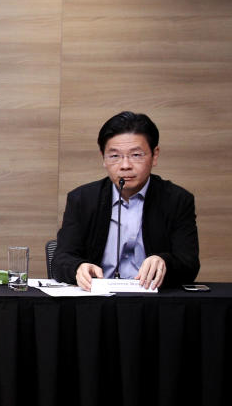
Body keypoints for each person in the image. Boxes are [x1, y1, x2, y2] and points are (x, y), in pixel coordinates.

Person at [50, 111, 198, 291]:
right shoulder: (82, 199)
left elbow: (189, 264)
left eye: (136, 155)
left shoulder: (176, 200)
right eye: (114, 156)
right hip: (98, 302)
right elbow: (61, 259)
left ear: (155, 155)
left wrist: (165, 261)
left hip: (154, 302)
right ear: (103, 158)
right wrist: (77, 268)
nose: (125, 165)